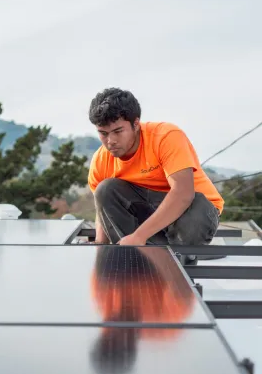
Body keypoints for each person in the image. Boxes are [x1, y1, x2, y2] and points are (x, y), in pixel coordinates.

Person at [87, 87, 224, 251]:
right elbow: (102, 210)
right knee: (105, 190)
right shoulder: (101, 159)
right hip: (149, 216)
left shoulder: (166, 137)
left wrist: (139, 236)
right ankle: (142, 258)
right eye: (103, 133)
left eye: (118, 131)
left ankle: (177, 258)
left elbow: (183, 193)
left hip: (195, 209)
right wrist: (99, 245)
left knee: (191, 222)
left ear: (136, 124)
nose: (111, 141)